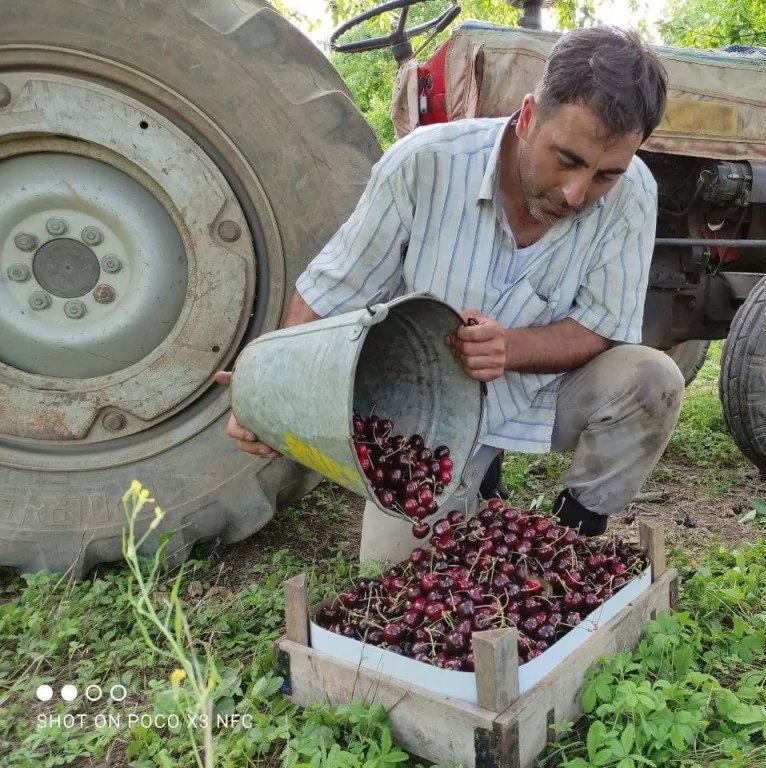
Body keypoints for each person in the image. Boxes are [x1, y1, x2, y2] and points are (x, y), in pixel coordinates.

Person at [216, 24, 685, 536]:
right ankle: (477, 480)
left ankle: (577, 526)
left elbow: (599, 325)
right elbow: (333, 287)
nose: (576, 193)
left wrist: (508, 348)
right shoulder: (424, 163)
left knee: (652, 379)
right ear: (528, 117)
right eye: (566, 160)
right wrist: (266, 390)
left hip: (543, 391)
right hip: (427, 409)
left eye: (605, 174)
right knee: (398, 570)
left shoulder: (634, 193)